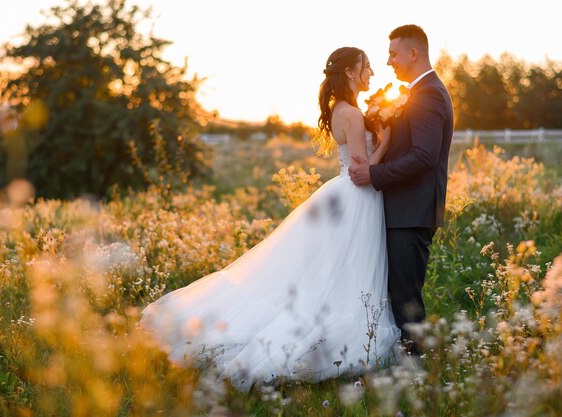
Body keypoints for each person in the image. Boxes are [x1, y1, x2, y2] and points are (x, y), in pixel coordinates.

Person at [140, 47, 400, 392]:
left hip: (351, 197)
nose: (371, 73)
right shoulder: (350, 112)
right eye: (366, 67)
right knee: (347, 267)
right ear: (351, 72)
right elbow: (360, 166)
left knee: (340, 268)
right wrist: (388, 137)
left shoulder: (343, 109)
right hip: (356, 196)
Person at [349, 25, 454, 355]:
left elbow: (424, 156)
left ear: (413, 53)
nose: (389, 60)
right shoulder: (417, 93)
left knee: (406, 296)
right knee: (398, 291)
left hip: (412, 211)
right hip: (404, 210)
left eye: (393, 53)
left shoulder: (429, 94)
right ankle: (405, 363)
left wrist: (374, 174)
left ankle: (415, 369)